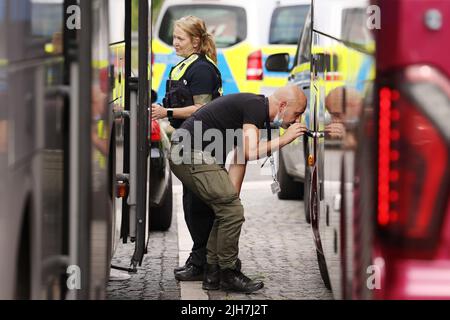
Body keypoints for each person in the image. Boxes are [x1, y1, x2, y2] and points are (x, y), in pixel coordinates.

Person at [169, 85, 308, 293]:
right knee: (230, 210)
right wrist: (285, 139)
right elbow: (251, 152)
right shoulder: (255, 106)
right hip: (189, 153)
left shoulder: (255, 109)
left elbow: (240, 156)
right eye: (296, 114)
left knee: (228, 209)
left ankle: (213, 273)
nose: (296, 121)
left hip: (189, 153)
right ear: (282, 105)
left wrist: (232, 198)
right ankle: (228, 272)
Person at [151, 16, 223, 281]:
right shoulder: (186, 65)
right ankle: (200, 258)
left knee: (200, 205)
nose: (175, 43)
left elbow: (203, 109)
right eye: (174, 38)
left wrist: (166, 111)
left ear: (195, 41)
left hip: (205, 141)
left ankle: (203, 262)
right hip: (190, 137)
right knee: (192, 204)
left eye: (180, 38)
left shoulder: (202, 70)